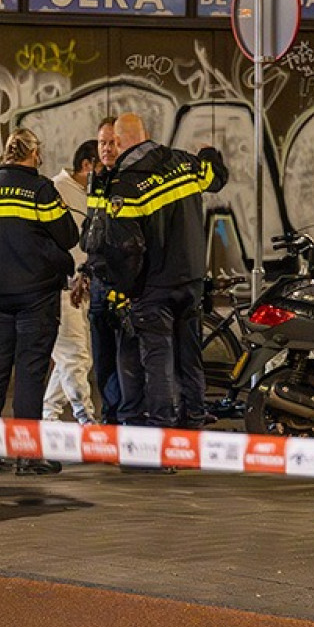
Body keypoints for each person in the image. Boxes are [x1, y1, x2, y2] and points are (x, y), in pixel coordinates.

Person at [91, 113, 227, 430]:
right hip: (191, 281)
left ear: (122, 142)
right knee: (189, 356)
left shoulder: (126, 186)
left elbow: (128, 249)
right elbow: (217, 177)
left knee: (159, 362)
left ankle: (162, 439)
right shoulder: (183, 163)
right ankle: (192, 424)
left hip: (154, 287)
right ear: (146, 135)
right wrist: (208, 152)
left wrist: (124, 290)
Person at [0, 129, 79, 474]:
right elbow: (67, 235)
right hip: (36, 295)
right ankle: (28, 456)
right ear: (35, 154)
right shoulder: (40, 190)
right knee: (30, 371)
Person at [43, 139, 99, 426]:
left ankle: (50, 416)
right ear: (87, 165)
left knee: (73, 358)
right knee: (75, 356)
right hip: (63, 289)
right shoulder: (57, 191)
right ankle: (86, 420)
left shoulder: (84, 193)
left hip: (82, 289)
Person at [84, 118, 128, 425]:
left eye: (112, 142)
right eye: (102, 143)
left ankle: (123, 420)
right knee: (102, 361)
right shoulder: (96, 180)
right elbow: (94, 233)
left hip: (124, 284)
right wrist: (86, 271)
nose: (107, 149)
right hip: (99, 282)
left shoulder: (129, 180)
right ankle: (111, 420)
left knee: (126, 360)